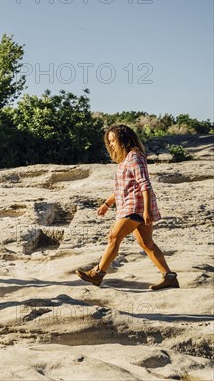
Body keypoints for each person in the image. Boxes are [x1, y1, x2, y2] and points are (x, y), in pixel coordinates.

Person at [76, 124, 179, 290]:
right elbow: (122, 188)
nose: (110, 144)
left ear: (123, 140)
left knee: (114, 237)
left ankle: (97, 274)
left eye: (113, 141)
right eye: (109, 141)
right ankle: (169, 276)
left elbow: (145, 184)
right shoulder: (126, 159)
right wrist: (107, 203)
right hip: (130, 206)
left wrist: (146, 210)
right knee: (147, 243)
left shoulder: (135, 157)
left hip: (136, 207)